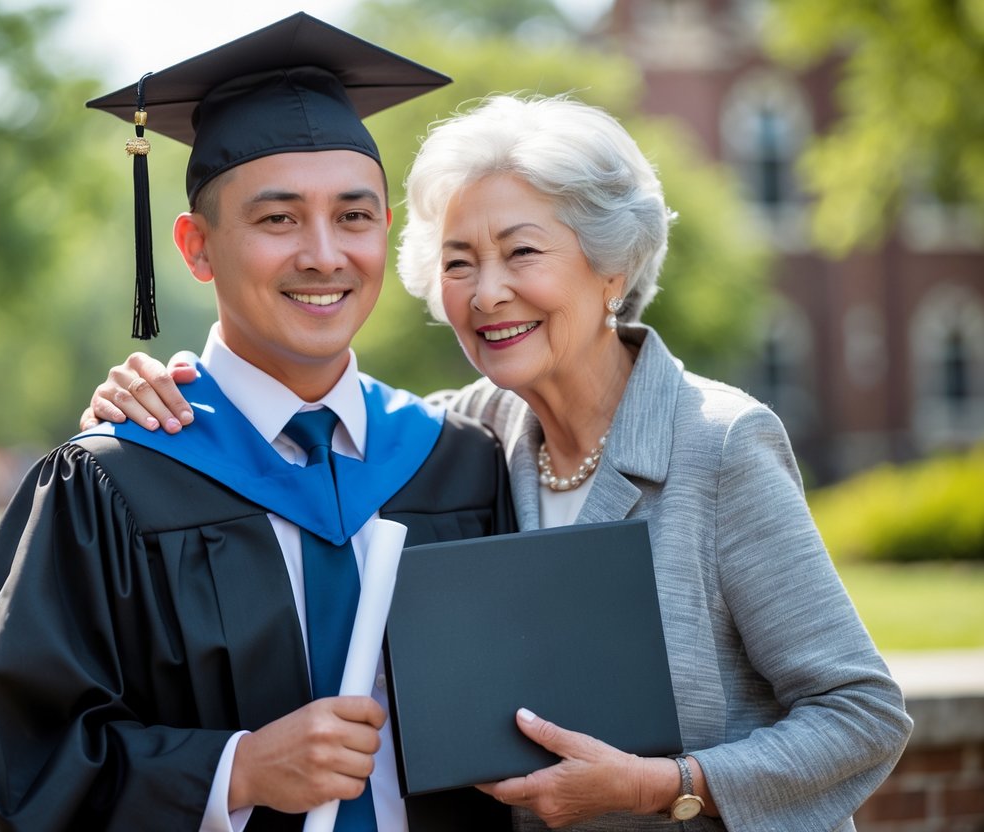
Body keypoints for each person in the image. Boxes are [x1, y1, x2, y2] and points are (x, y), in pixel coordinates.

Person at [82, 94, 913, 830]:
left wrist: (666, 785)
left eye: (521, 253)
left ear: (610, 266)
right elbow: (307, 415)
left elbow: (863, 714)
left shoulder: (717, 441)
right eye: (457, 262)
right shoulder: (469, 438)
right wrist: (157, 404)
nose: (485, 294)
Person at [0, 14, 515, 832]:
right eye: (277, 219)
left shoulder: (455, 464)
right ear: (195, 247)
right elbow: (16, 761)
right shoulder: (113, 483)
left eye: (353, 217)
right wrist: (232, 772)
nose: (323, 254)